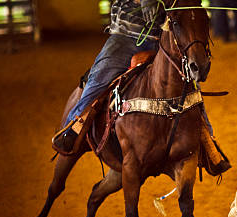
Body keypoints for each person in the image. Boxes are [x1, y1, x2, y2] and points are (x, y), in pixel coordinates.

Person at [52, 0, 166, 153]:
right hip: (126, 37)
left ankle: (205, 136)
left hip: (165, 37)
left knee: (186, 75)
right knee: (101, 75)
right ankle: (75, 126)